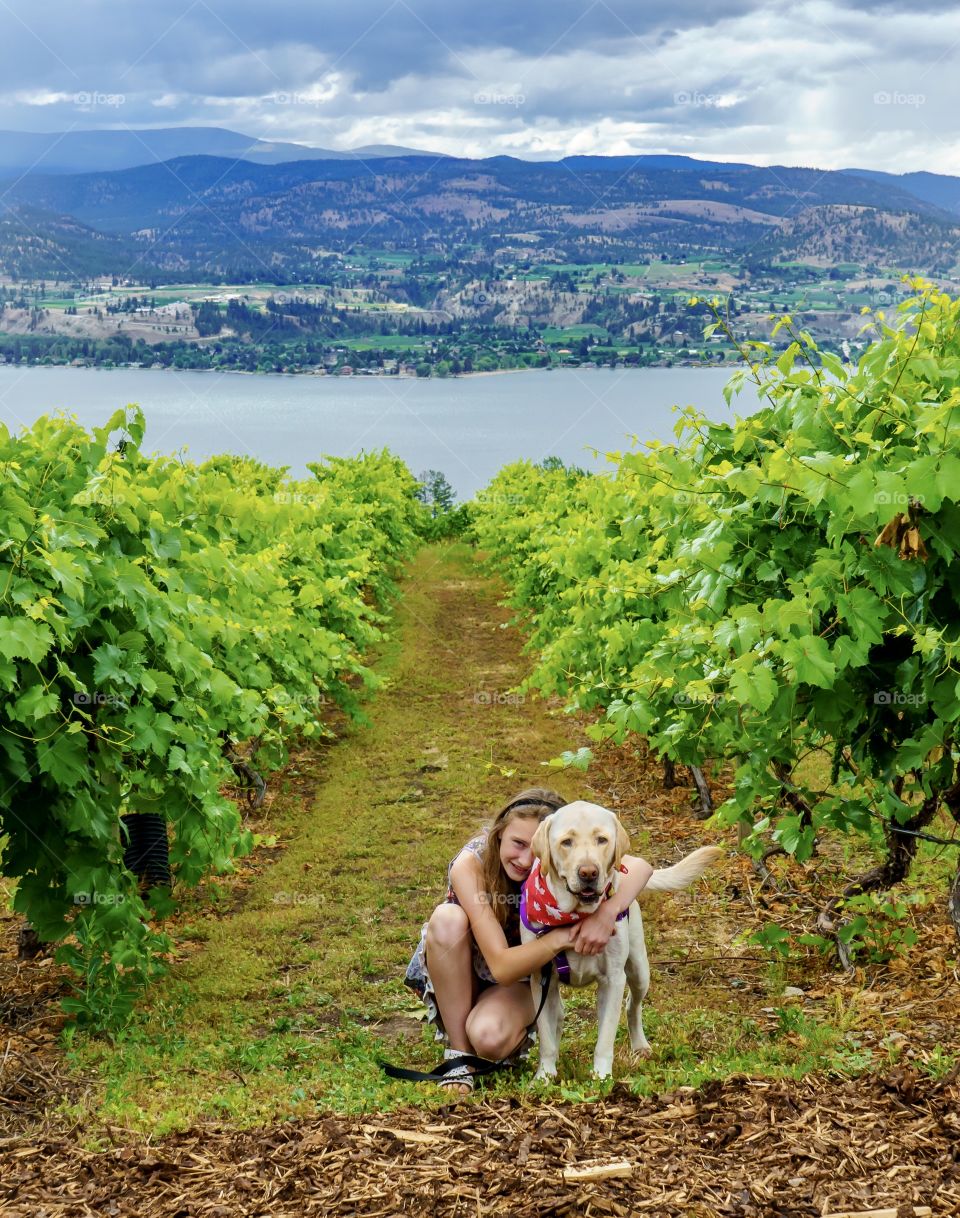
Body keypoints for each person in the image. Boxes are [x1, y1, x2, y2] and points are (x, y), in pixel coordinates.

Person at [403, 787, 655, 1092]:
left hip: (519, 981)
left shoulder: (565, 862)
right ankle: (459, 1056)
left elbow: (640, 867)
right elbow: (501, 966)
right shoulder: (471, 864)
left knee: (489, 1037)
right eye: (517, 843)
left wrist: (609, 911)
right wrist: (562, 937)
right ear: (498, 836)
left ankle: (496, 1028)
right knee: (447, 919)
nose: (526, 860)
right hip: (476, 969)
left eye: (533, 849)